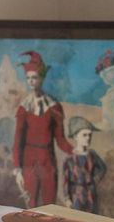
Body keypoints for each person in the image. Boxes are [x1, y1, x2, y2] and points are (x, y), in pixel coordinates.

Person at [11, 51, 72, 207]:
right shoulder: (24, 108)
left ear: (42, 79)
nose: (31, 81)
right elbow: (17, 141)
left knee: (50, 206)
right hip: (28, 162)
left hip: (48, 161)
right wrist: (18, 168)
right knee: (31, 205)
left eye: (35, 78)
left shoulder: (54, 107)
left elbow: (60, 139)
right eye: (28, 78)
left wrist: (76, 150)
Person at [61, 116, 107, 213]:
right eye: (84, 135)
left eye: (90, 135)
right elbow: (66, 181)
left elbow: (103, 168)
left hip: (91, 195)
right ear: (75, 136)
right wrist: (67, 198)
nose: (88, 138)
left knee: (92, 221)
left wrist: (93, 180)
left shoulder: (92, 155)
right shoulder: (69, 159)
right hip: (76, 196)